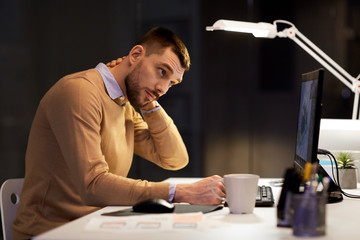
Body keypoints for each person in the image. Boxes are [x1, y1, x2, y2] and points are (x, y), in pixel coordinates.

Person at [12, 27, 225, 240]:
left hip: (97, 226)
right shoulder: (80, 93)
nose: (163, 89)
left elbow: (175, 159)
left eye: (171, 83)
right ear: (135, 55)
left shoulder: (124, 104)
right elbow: (93, 185)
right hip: (50, 232)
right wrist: (180, 192)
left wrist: (149, 104)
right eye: (162, 72)